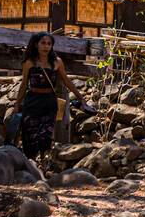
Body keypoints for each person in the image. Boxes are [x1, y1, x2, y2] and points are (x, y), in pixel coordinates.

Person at [14, 32, 89, 162]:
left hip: (49, 102)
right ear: (36, 44)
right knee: (29, 135)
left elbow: (67, 81)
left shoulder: (57, 62)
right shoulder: (29, 63)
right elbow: (24, 84)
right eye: (43, 43)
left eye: (49, 43)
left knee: (46, 135)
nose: (46, 46)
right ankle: (30, 163)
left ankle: (43, 162)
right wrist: (16, 106)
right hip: (32, 101)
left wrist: (80, 98)